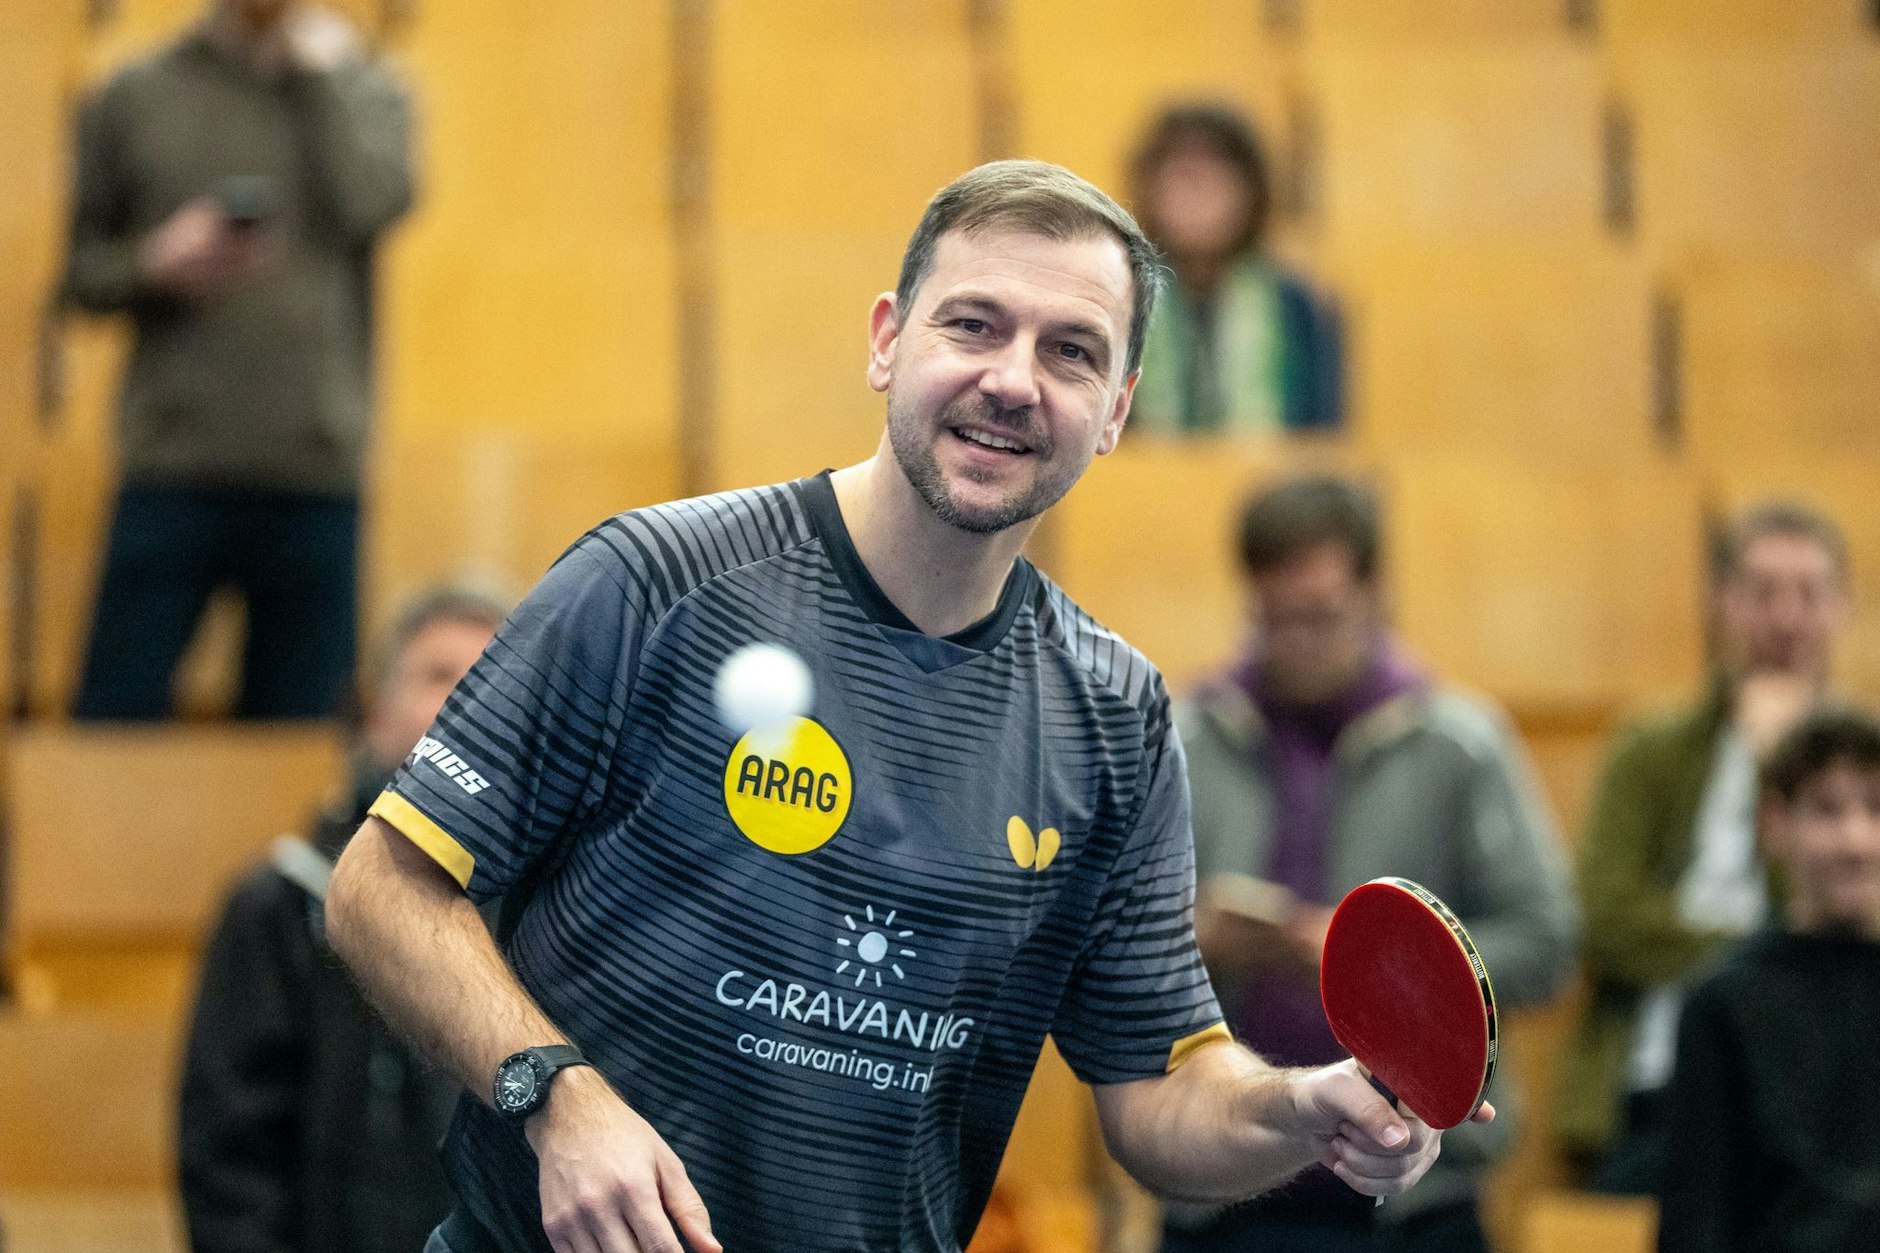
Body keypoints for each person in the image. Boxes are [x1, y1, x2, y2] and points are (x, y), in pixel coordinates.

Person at [322, 160, 1488, 1253]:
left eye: (1071, 351)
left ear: (1116, 408)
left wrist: (1300, 1104)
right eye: (972, 324)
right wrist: (555, 1095)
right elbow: (382, 885)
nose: (1012, 380)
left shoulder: (1114, 711)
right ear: (887, 340)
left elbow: (1158, 1087)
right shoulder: (655, 580)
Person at [1164, 475, 1577, 1253]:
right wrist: (1196, 938)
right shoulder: (1184, 740)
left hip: (1418, 1205)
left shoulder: (1459, 744)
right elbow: (1104, 949)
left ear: (1376, 597)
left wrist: (1392, 966)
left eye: (1320, 615)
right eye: (1273, 618)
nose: (1296, 641)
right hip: (1223, 1193)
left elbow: (1546, 945)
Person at [61, 0, 414, 720]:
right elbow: (79, 276)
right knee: (112, 727)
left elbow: (375, 204)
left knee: (300, 738)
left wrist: (321, 83)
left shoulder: (366, 90)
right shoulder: (137, 92)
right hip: (172, 460)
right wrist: (153, 263)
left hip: (314, 465)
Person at [178, 587, 505, 1253]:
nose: (469, 701)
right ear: (374, 712)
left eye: (493, 680)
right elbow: (229, 1164)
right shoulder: (281, 903)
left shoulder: (556, 912)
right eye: (439, 676)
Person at [1557, 502, 1853, 1191]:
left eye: (1808, 593)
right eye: (1762, 592)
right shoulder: (1650, 748)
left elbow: (1846, 928)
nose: (1785, 618)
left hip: (1826, 1088)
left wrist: (1781, 765)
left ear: (1841, 608)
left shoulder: (1864, 772)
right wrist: (1758, 956)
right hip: (1660, 1087)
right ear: (1722, 603)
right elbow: (1607, 919)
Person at [1657, 706, 1880, 1253]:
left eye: (1876, 808)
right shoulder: (1722, 1004)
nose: (1857, 840)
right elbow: (1695, 1219)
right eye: (1827, 811)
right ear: (1775, 824)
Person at [1125, 103, 1342, 437]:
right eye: (1181, 177)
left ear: (1251, 193)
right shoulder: (1121, 295)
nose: (1196, 196)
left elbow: (1321, 439)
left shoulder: (1297, 306)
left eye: (1214, 178)